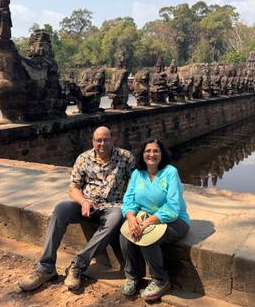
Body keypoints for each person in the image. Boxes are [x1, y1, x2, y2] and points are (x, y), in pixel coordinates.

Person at [19, 126, 135, 292]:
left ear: (112, 139)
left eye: (106, 139)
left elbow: (135, 185)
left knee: (117, 215)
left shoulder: (125, 157)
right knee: (61, 209)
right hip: (87, 205)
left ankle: (78, 265)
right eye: (99, 140)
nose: (103, 143)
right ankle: (46, 268)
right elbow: (74, 188)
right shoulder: (84, 158)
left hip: (112, 206)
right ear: (93, 141)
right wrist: (83, 202)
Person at [120, 138, 190, 302]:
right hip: (144, 216)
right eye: (147, 151)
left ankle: (160, 279)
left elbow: (173, 207)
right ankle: (133, 276)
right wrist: (131, 217)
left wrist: (146, 223)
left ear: (162, 154)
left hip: (174, 220)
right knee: (124, 234)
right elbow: (129, 199)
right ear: (142, 154)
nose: (151, 154)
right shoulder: (138, 174)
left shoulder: (170, 172)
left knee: (148, 239)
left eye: (155, 151)